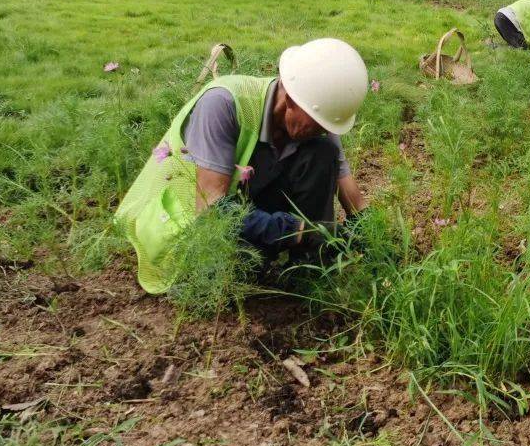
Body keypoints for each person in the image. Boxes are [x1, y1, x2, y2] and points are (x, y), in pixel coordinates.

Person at [116, 38, 370, 294]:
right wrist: (296, 231)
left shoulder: (318, 117)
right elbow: (211, 210)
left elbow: (351, 194)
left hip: (248, 202)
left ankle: (307, 271)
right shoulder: (223, 104)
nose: (323, 131)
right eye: (317, 123)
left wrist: (370, 236)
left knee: (323, 152)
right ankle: (270, 254)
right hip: (193, 223)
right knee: (235, 273)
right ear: (291, 99)